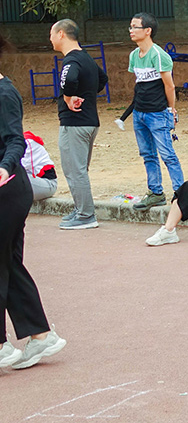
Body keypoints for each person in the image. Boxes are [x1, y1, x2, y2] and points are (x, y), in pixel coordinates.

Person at [0, 32, 67, 370]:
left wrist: (3, 167)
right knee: (9, 264)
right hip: (9, 190)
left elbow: (15, 140)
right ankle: (41, 336)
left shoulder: (4, 93)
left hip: (8, 189)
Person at [49, 19, 108, 228]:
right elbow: (103, 78)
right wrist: (87, 94)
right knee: (78, 169)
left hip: (74, 123)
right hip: (90, 122)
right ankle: (80, 209)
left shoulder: (71, 61)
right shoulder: (88, 59)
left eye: (52, 34)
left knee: (75, 170)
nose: (50, 39)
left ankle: (85, 215)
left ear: (62, 34)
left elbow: (68, 80)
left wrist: (69, 96)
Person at [127, 13, 184, 209]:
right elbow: (139, 84)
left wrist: (171, 110)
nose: (131, 31)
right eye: (130, 27)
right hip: (139, 113)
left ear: (148, 30)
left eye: (135, 27)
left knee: (167, 154)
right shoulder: (134, 55)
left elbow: (169, 86)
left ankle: (181, 193)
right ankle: (155, 192)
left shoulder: (159, 55)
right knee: (148, 154)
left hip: (157, 113)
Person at [21, 132, 57, 201]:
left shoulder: (27, 142)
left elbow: (14, 167)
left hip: (47, 184)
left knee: (11, 177)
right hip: (32, 182)